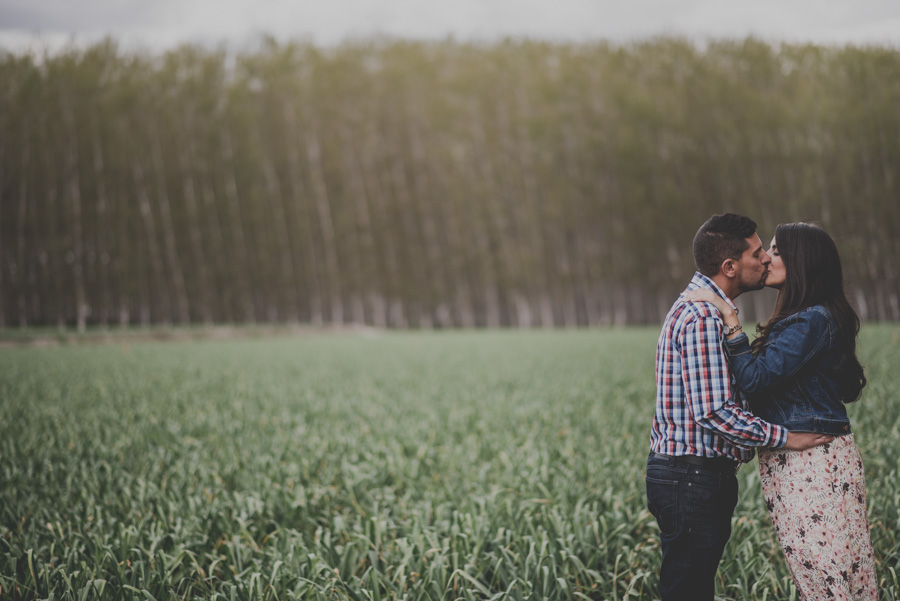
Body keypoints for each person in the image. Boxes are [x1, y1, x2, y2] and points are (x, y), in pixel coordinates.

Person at [684, 222, 878, 600]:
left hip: (812, 461)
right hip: (794, 458)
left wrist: (729, 317)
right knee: (816, 569)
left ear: (801, 260)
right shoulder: (803, 317)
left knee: (829, 570)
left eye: (775, 250)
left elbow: (756, 380)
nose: (766, 259)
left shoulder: (812, 318)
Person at [647, 213, 833, 601]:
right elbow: (714, 411)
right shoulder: (701, 317)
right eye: (757, 252)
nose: (766, 258)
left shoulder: (710, 312)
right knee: (687, 592)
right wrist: (786, 438)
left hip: (691, 476)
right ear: (730, 266)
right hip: (691, 477)